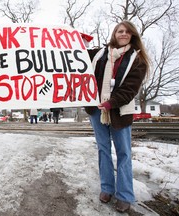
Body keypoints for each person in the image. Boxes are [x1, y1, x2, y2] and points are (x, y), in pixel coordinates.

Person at [85, 21, 150, 213]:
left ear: (132, 36)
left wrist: (110, 103)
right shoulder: (99, 54)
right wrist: (78, 42)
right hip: (97, 110)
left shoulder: (137, 60)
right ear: (114, 33)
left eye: (127, 32)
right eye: (120, 31)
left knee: (123, 153)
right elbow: (75, 57)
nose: (123, 34)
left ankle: (124, 195)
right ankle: (107, 188)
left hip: (119, 112)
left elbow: (129, 89)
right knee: (103, 150)